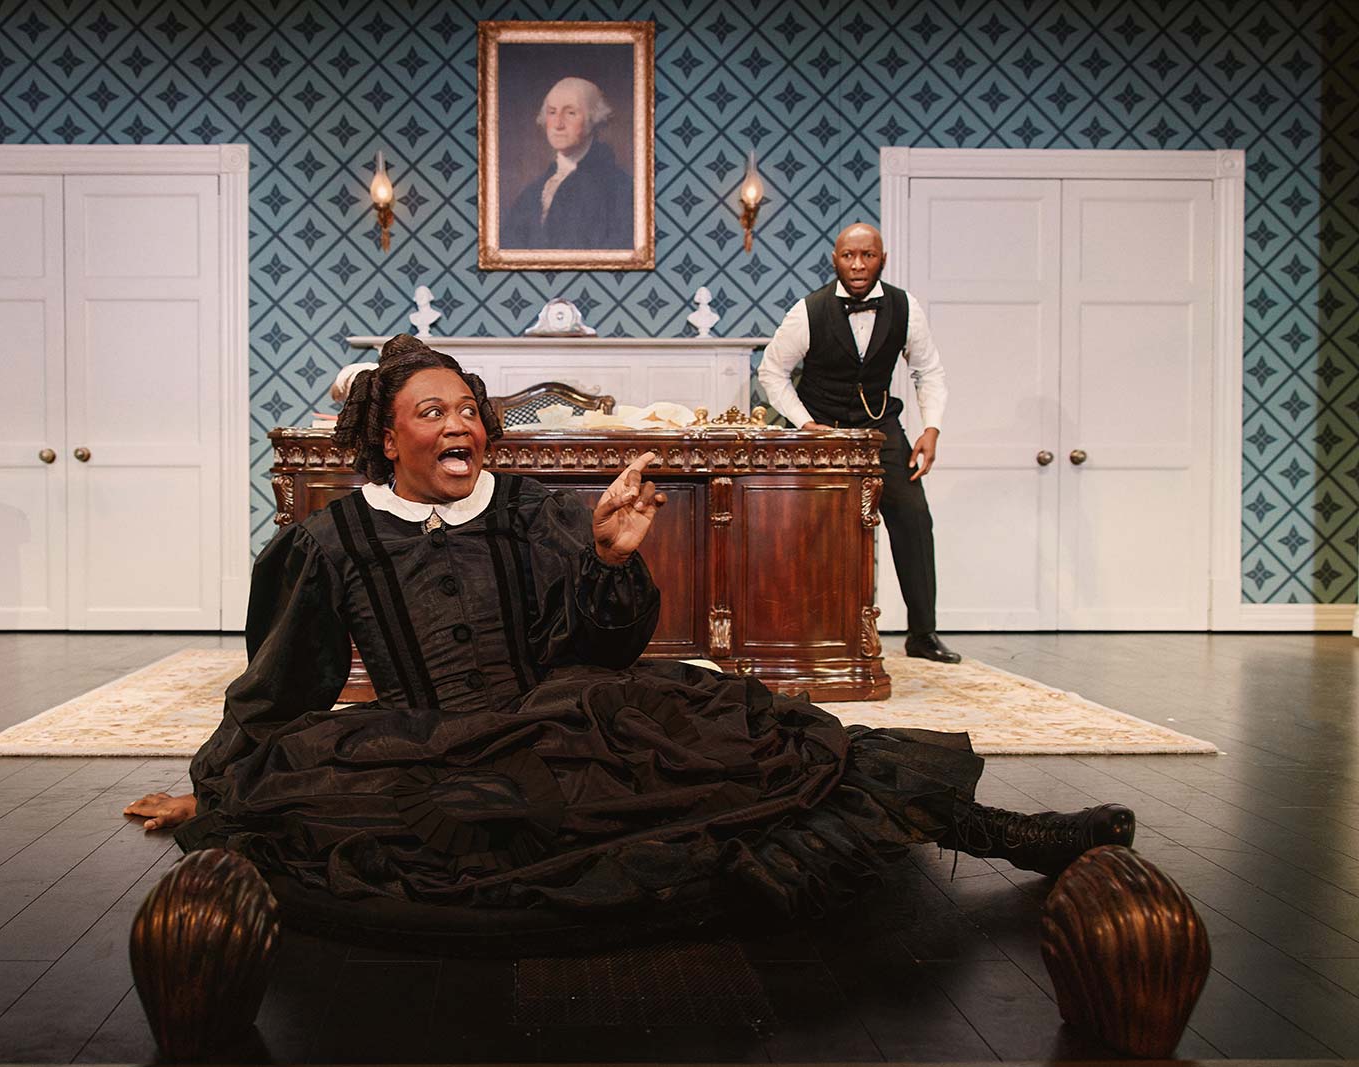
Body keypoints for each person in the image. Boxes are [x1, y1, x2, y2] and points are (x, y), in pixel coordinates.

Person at [126, 334, 1133, 950]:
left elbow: (599, 649)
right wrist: (220, 788)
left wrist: (610, 558)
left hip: (561, 719)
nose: (459, 423)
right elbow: (279, 690)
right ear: (389, 437)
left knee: (775, 741)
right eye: (431, 411)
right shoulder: (330, 540)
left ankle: (1008, 835)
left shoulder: (529, 510)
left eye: (468, 407)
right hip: (427, 749)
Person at [759, 222, 960, 664]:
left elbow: (929, 371)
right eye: (849, 256)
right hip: (822, 435)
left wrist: (931, 428)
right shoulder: (808, 311)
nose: (857, 265)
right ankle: (809, 629)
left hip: (880, 429)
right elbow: (772, 371)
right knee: (814, 531)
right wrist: (804, 423)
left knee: (914, 518)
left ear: (882, 260)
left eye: (867, 256)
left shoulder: (906, 308)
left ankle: (922, 634)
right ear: (835, 260)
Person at [502, 77, 632, 250]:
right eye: (552, 112)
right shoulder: (533, 192)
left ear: (593, 118)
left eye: (570, 113)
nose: (558, 124)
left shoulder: (620, 189)